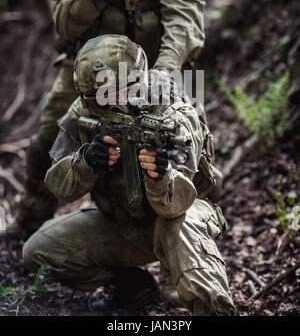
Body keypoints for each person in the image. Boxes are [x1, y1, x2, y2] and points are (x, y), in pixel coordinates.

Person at [1, 0, 209, 242]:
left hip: (158, 67)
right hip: (89, 69)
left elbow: (186, 22)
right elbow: (63, 23)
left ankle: (191, 241)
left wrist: (165, 71)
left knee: (193, 145)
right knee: (48, 138)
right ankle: (30, 221)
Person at [23, 35, 236, 316]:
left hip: (182, 216)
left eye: (124, 91)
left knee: (177, 226)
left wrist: (159, 174)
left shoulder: (174, 110)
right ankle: (134, 288)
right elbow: (57, 185)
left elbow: (176, 205)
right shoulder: (85, 110)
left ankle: (214, 309)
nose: (115, 103)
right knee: (39, 251)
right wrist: (86, 161)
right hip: (126, 222)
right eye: (103, 97)